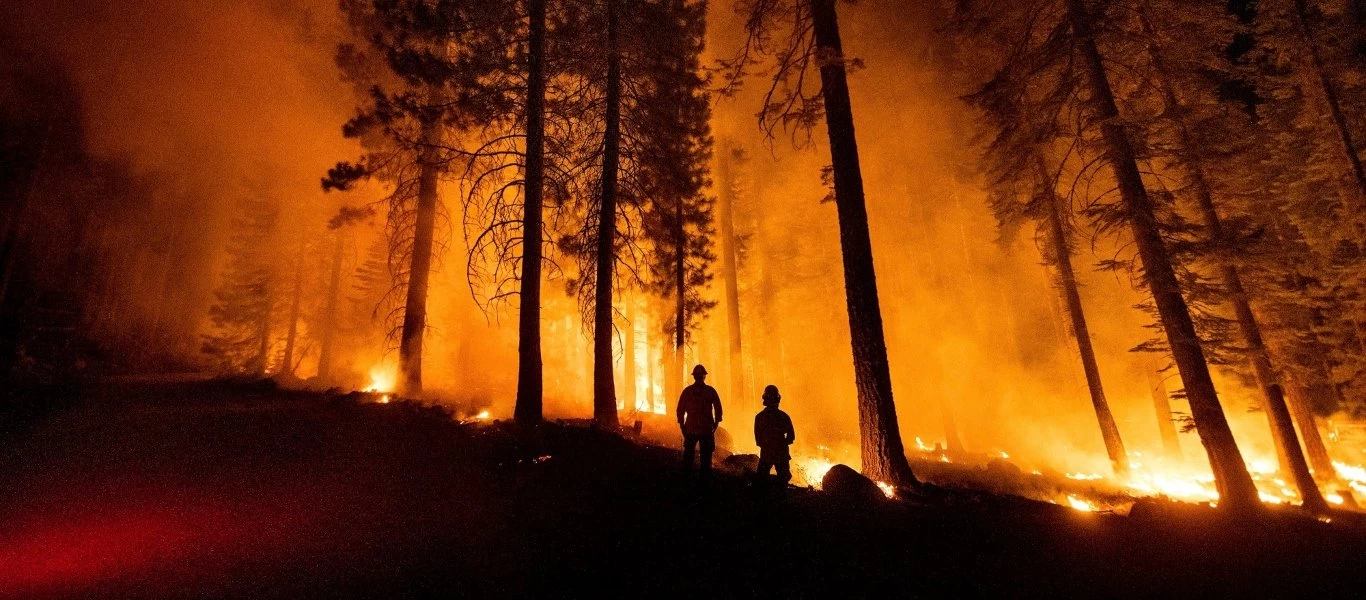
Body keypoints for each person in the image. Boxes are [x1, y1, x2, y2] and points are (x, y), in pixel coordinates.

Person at [677, 364, 722, 482]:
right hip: (706, 429)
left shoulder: (687, 391)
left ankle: (686, 481)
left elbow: (680, 410)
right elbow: (718, 408)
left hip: (691, 429)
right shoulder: (710, 391)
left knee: (688, 457)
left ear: (694, 377)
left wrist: (682, 426)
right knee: (706, 459)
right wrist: (716, 424)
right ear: (704, 377)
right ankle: (704, 483)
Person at [754, 384, 794, 487]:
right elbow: (791, 437)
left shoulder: (759, 417)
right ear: (778, 399)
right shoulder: (784, 417)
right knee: (783, 479)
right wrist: (781, 444)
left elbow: (758, 439)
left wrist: (767, 444)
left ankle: (763, 500)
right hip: (781, 453)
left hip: (767, 453)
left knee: (761, 480)